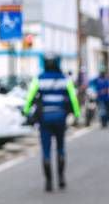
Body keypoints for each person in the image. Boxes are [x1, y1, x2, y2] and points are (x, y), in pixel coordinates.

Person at [23, 54, 80, 191]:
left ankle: (48, 182)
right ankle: (61, 178)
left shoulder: (39, 79)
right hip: (60, 118)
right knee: (60, 148)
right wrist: (76, 114)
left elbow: (30, 96)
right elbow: (73, 98)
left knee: (46, 150)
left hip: (45, 119)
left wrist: (26, 111)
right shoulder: (65, 79)